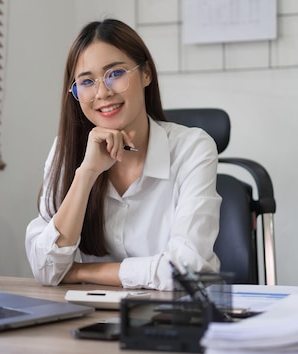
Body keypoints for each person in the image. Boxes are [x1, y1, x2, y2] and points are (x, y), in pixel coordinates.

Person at [25, 18, 221, 291]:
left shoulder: (192, 148)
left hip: (174, 318)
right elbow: (45, 268)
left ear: (146, 74)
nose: (102, 92)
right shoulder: (65, 150)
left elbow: (188, 270)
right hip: (87, 319)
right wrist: (86, 174)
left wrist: (83, 271)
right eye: (86, 82)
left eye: (115, 74)